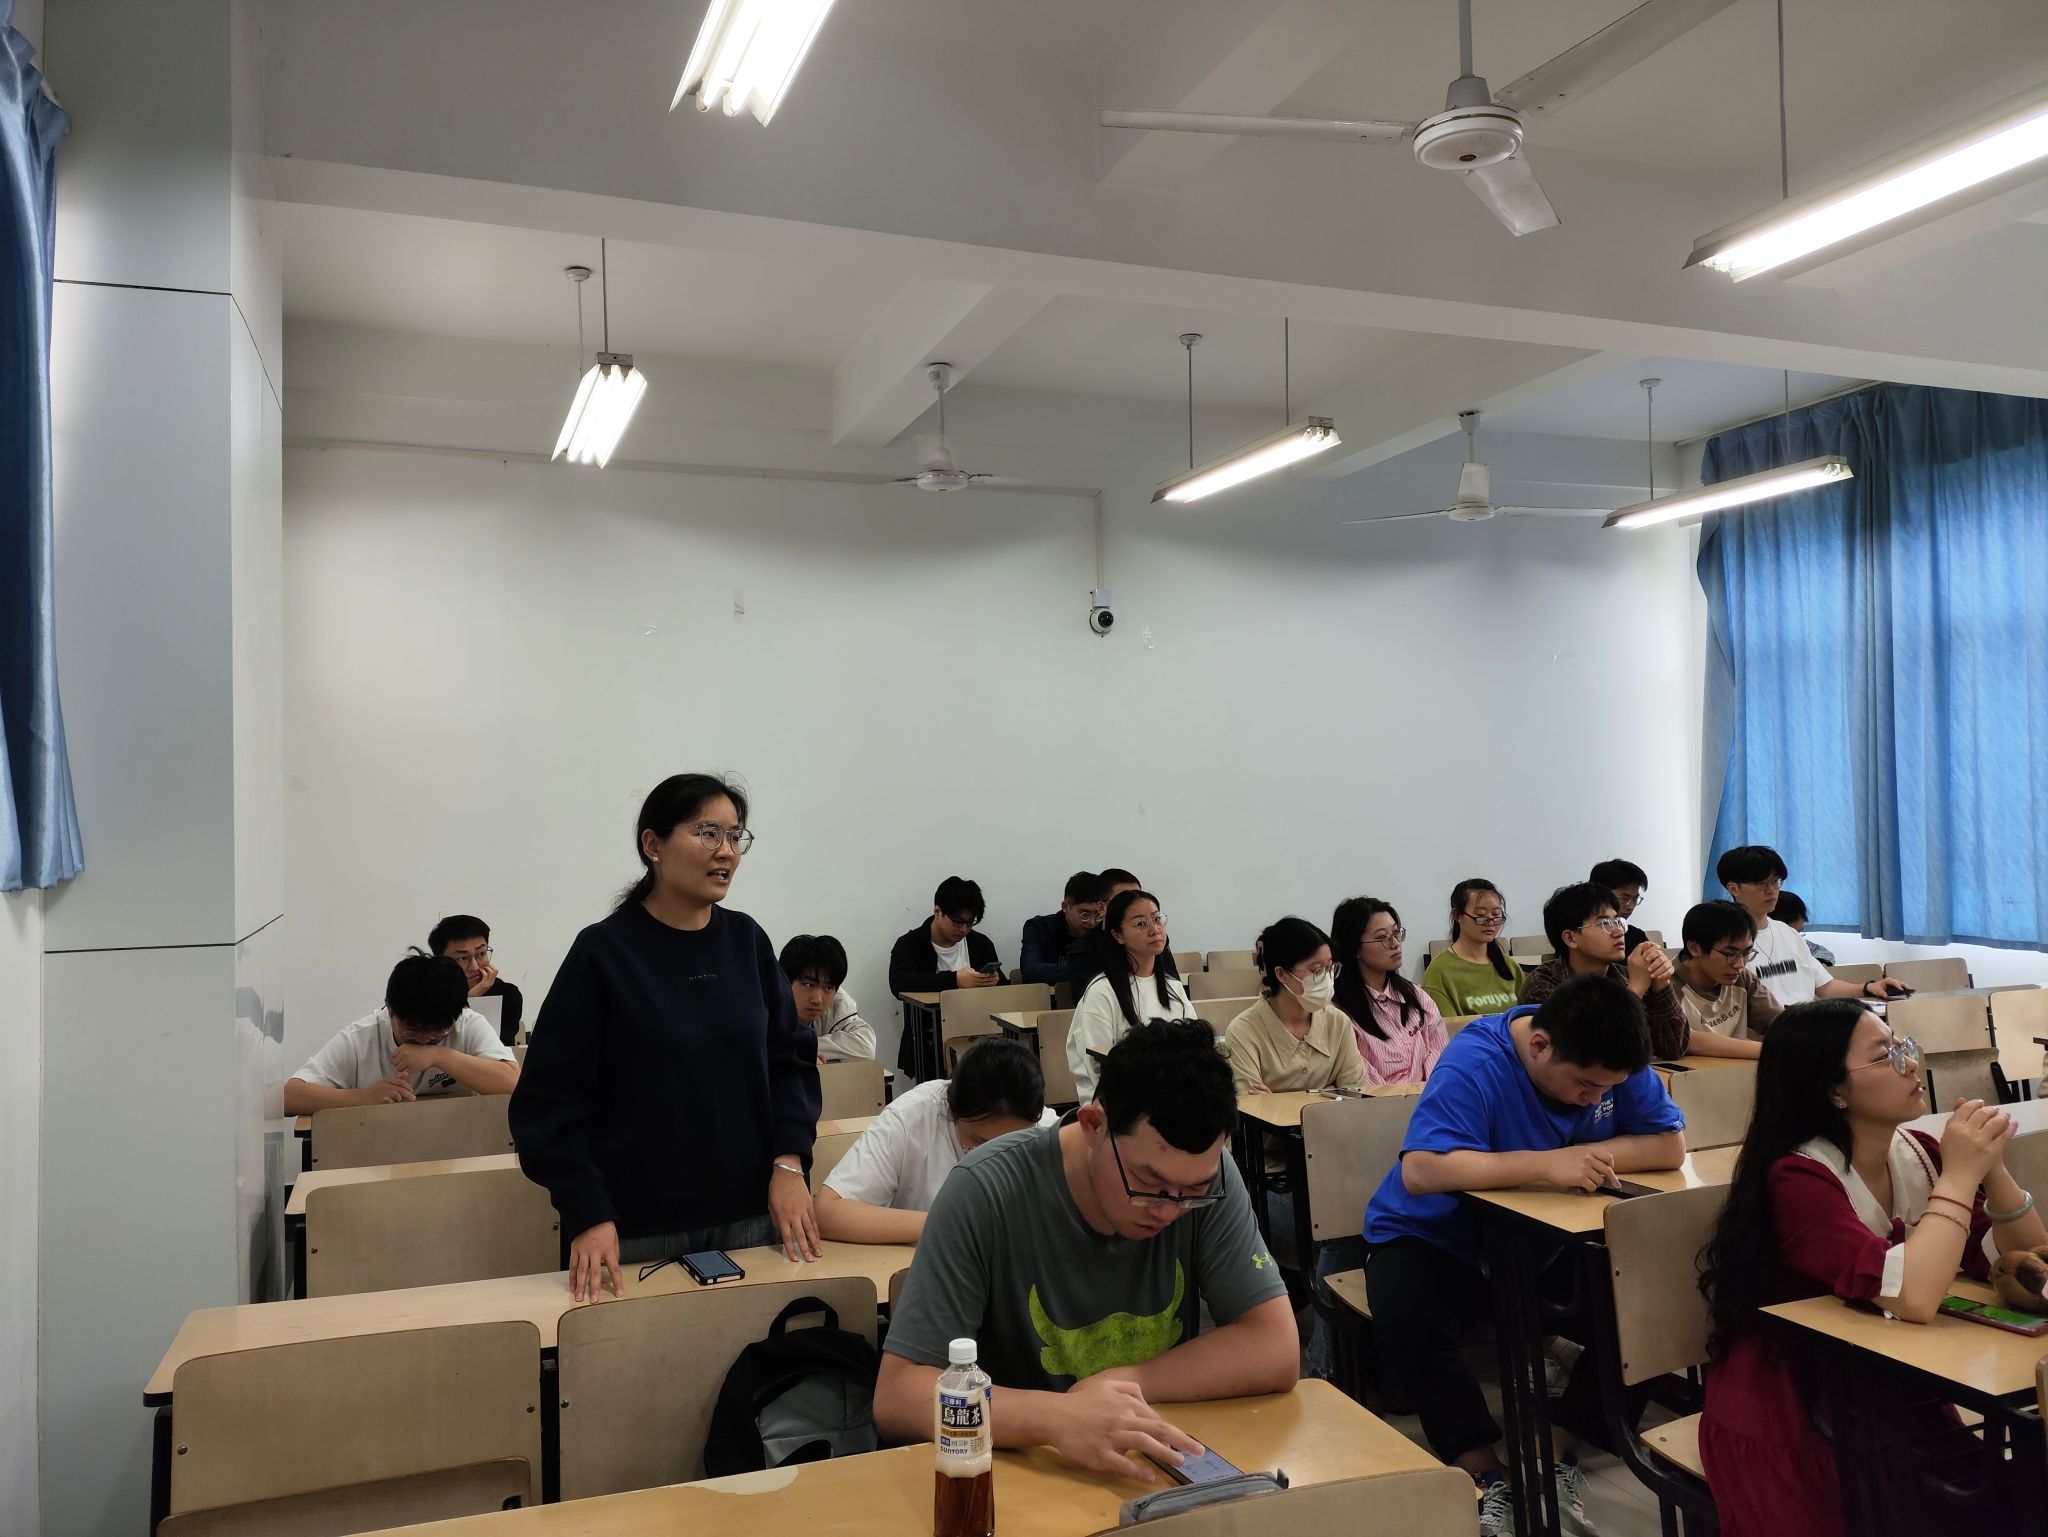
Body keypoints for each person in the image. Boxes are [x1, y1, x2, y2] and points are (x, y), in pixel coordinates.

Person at [874, 1019, 1298, 1480]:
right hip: (1021, 1475)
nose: (1168, 1210)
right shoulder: (984, 1191)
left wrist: (1125, 1382)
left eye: (1192, 1192)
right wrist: (1054, 1416)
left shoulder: (1206, 1180)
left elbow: (1275, 1346)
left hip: (1147, 1472)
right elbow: (898, 1396)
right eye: (1148, 1183)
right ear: (1094, 1124)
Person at [1697, 1001, 2048, 1537]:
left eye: (1904, 1046)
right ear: (1834, 1091)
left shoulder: (1918, 1151)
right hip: (1798, 1409)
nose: (1911, 1064)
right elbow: (1913, 1297)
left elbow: (2022, 1262)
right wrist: (1959, 1178)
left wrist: (1992, 1167)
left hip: (1890, 1383)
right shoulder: (1798, 1177)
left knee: (2010, 1501)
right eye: (1886, 1056)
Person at [1364, 974, 1687, 1536]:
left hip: (1541, 1239)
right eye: (1585, 1085)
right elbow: (1423, 1170)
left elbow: (1669, 1145)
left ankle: (1551, 1451)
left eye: (1607, 1090)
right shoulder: (1476, 1060)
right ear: (1539, 1045)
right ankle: (1480, 1472)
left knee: (1651, 1308)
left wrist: (1584, 1153)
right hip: (1433, 1236)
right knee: (1409, 1315)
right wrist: (1547, 1163)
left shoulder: (1610, 1054)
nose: (1595, 1099)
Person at [510, 773, 822, 1302]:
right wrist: (587, 1208)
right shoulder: (603, 954)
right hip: (631, 1228)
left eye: (735, 836)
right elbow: (547, 1101)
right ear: (652, 844)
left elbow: (790, 1061)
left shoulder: (746, 941)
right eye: (707, 833)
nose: (726, 851)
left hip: (754, 1215)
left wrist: (789, 1163)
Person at [816, 1037, 1057, 1244]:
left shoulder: (1048, 1131)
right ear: (952, 1109)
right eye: (978, 1141)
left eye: (1013, 1145)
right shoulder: (913, 1117)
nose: (994, 1156)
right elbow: (827, 1212)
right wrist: (950, 1224)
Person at [285, 952, 518, 1113]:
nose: (424, 1040)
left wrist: (439, 1055)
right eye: (412, 1030)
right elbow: (289, 1097)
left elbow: (513, 1084)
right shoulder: (362, 1037)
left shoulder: (466, 1024)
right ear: (389, 1008)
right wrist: (363, 1097)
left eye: (437, 1033)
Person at [1717, 846, 1908, 1008]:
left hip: (1807, 1023)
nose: (1771, 890)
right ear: (1733, 888)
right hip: (1770, 1029)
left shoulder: (1789, 934)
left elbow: (1825, 987)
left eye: (1775, 881)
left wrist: (1869, 988)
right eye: (1761, 883)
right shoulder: (1725, 942)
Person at [1520, 881, 1690, 1060]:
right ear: (1570, 938)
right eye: (1604, 924)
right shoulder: (1543, 985)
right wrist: (1635, 990)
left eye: (1618, 921)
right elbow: (1589, 1056)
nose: (1618, 931)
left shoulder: (1624, 975)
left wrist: (1661, 983)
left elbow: (1673, 1048)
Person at [1067, 889, 1195, 1103]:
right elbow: (1097, 1066)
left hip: (1173, 1099)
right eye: (1141, 923)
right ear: (1118, 935)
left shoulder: (1173, 987)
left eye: (1157, 919)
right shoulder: (1102, 991)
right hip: (1121, 1105)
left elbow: (1195, 1048)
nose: (1154, 929)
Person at [1223, 917, 1365, 1102]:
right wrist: (1328, 1093)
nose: (1327, 979)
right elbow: (1253, 1107)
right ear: (1281, 974)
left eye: (1330, 968)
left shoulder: (1338, 1022)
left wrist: (1275, 1101)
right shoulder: (1243, 1031)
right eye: (1316, 971)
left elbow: (1354, 1097)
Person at [1331, 896, 1448, 1086]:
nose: (1395, 943)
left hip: (1431, 1098)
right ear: (1355, 949)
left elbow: (1442, 1058)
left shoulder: (1417, 996)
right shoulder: (1337, 1010)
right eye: (1382, 937)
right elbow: (1362, 1081)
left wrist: (1430, 1094)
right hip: (1378, 1102)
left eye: (1396, 933)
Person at [1670, 902, 1779, 1057]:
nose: (1740, 964)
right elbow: (1687, 1040)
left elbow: (1780, 1023)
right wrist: (1774, 1050)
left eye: (1747, 953)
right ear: (1694, 948)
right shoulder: (1666, 984)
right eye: (1730, 954)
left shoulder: (1743, 978)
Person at [1420, 879, 1524, 1019]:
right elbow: (1448, 1029)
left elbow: (1528, 1017)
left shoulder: (1510, 967)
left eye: (1496, 915)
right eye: (1480, 915)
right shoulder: (1439, 973)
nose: (1490, 922)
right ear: (1457, 915)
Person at [888, 876, 1002, 996]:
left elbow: (1003, 990)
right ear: (937, 912)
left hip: (977, 1008)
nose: (964, 929)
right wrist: (954, 979)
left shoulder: (981, 944)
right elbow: (898, 983)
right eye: (957, 922)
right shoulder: (910, 944)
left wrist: (993, 981)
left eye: (970, 923)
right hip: (934, 1009)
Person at [778, 933, 876, 1060]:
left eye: (829, 987)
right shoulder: (763, 1003)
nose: (817, 1000)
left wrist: (803, 1048)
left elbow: (865, 1047)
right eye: (809, 984)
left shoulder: (838, 1001)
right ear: (784, 981)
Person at [429, 914, 524, 1044]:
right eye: (462, 958)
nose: (474, 967)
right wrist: (470, 998)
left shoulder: (507, 994)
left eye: (481, 954)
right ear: (440, 961)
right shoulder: (428, 993)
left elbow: (498, 1048)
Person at [1068, 867, 1142, 997]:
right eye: (1124, 901)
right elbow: (1091, 1000)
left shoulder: (1154, 937)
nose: (1135, 908)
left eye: (1139, 900)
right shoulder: (1082, 951)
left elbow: (1172, 990)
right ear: (1102, 908)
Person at [1020, 871, 1104, 986]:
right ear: (1065, 907)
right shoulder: (1039, 928)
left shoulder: (1106, 930)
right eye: (1085, 914)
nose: (1092, 922)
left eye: (1098, 915)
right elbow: (1030, 971)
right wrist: (1088, 969)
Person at [1588, 859, 1653, 957]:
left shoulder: (1636, 937)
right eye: (1624, 898)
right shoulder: (1583, 936)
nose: (1630, 907)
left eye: (1635, 899)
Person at [1771, 890, 1835, 966]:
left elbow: (1825, 955)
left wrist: (1817, 964)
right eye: (1790, 933)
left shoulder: (1801, 943)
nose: (1796, 937)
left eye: (1799, 932)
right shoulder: (1761, 949)